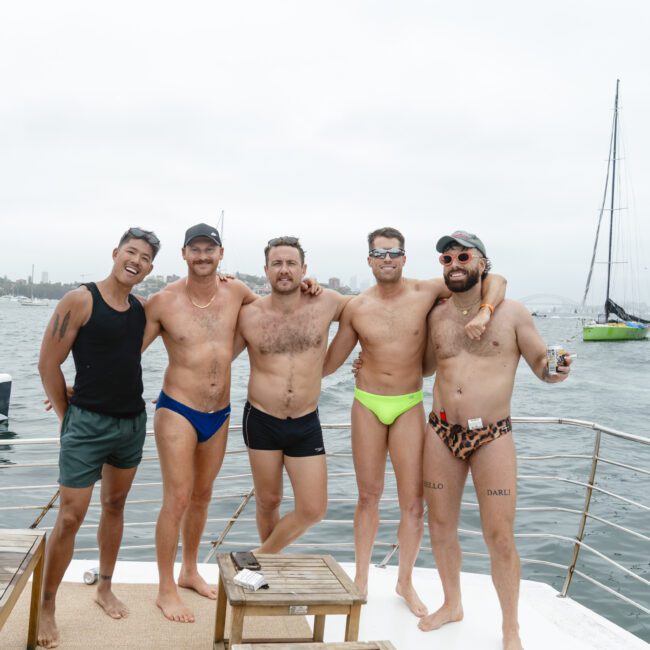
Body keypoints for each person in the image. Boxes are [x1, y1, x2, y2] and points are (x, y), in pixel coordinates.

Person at [323, 227, 507, 617]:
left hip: (408, 405)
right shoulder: (356, 306)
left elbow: (496, 280)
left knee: (414, 503)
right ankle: (360, 580)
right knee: (368, 497)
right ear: (369, 260)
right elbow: (329, 362)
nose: (387, 259)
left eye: (394, 252)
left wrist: (488, 311)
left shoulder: (427, 292)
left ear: (404, 258)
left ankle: (404, 581)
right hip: (367, 404)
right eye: (379, 253)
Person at [143, 225, 320, 623]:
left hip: (219, 411)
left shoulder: (238, 292)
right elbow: (125, 352)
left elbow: (276, 310)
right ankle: (165, 587)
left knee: (203, 496)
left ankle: (189, 570)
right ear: (184, 254)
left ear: (221, 254)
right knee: (178, 497)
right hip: (177, 409)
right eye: (196, 249)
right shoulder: (163, 301)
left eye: (210, 249)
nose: (203, 256)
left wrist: (306, 285)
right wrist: (82, 388)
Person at [417, 231, 571, 650]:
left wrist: (556, 370)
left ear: (483, 263)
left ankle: (510, 628)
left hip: (493, 435)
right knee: (441, 525)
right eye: (446, 260)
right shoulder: (436, 316)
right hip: (441, 431)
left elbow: (542, 364)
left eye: (463, 256)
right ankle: (452, 604)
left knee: (499, 536)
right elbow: (426, 369)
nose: (454, 264)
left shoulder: (514, 313)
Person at [37, 227, 160, 648]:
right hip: (86, 425)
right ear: (115, 253)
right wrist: (67, 415)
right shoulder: (81, 299)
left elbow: (118, 360)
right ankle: (47, 605)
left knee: (115, 505)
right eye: (131, 252)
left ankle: (104, 586)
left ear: (150, 268)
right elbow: (47, 364)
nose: (137, 261)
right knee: (70, 516)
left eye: (145, 258)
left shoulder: (143, 309)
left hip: (131, 424)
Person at [234, 236, 350, 553]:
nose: (284, 270)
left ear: (303, 269)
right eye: (277, 263)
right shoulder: (248, 315)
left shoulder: (327, 302)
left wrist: (335, 365)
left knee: (313, 509)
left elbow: (364, 314)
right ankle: (268, 568)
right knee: (268, 500)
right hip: (260, 418)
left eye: (291, 263)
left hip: (305, 420)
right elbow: (215, 355)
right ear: (266, 270)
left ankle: (259, 557)